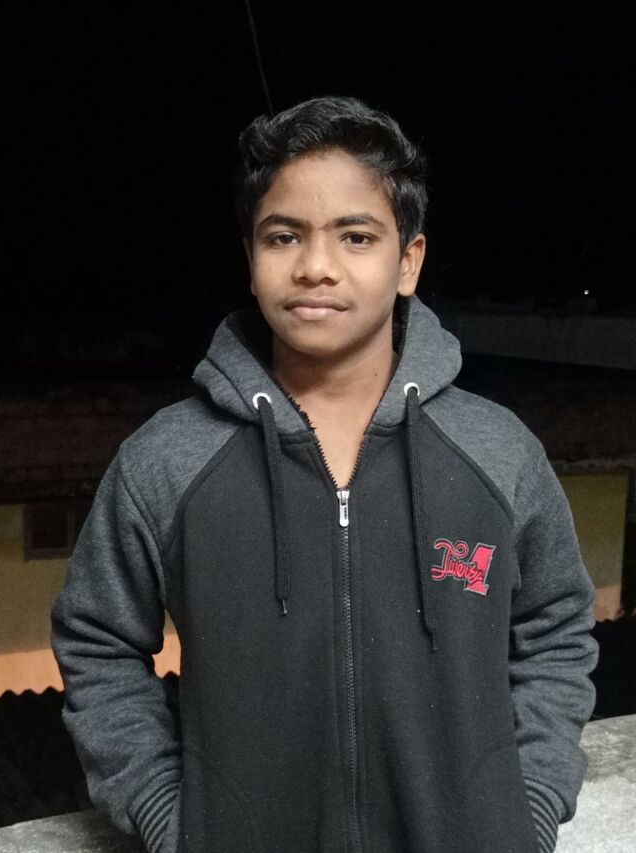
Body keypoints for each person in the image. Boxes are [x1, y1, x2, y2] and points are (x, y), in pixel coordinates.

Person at [51, 96, 598, 853]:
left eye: (356, 236)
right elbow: (97, 639)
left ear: (408, 262)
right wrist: (168, 813)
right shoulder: (167, 460)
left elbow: (557, 631)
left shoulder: (498, 452)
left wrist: (524, 807)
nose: (315, 266)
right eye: (284, 236)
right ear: (250, 259)